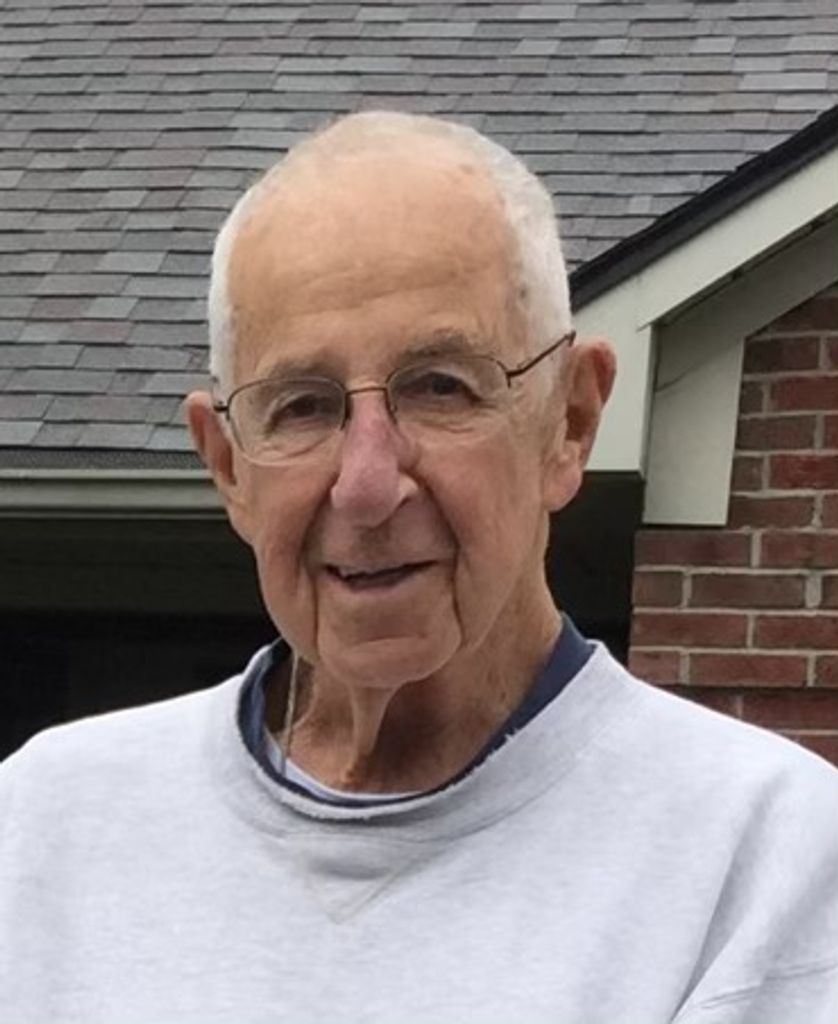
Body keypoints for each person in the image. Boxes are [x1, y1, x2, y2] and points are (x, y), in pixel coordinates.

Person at [1, 111, 837, 1024]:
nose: (366, 485)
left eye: (442, 387)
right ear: (229, 465)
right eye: (302, 406)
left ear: (570, 423)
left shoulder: (762, 860)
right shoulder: (46, 831)